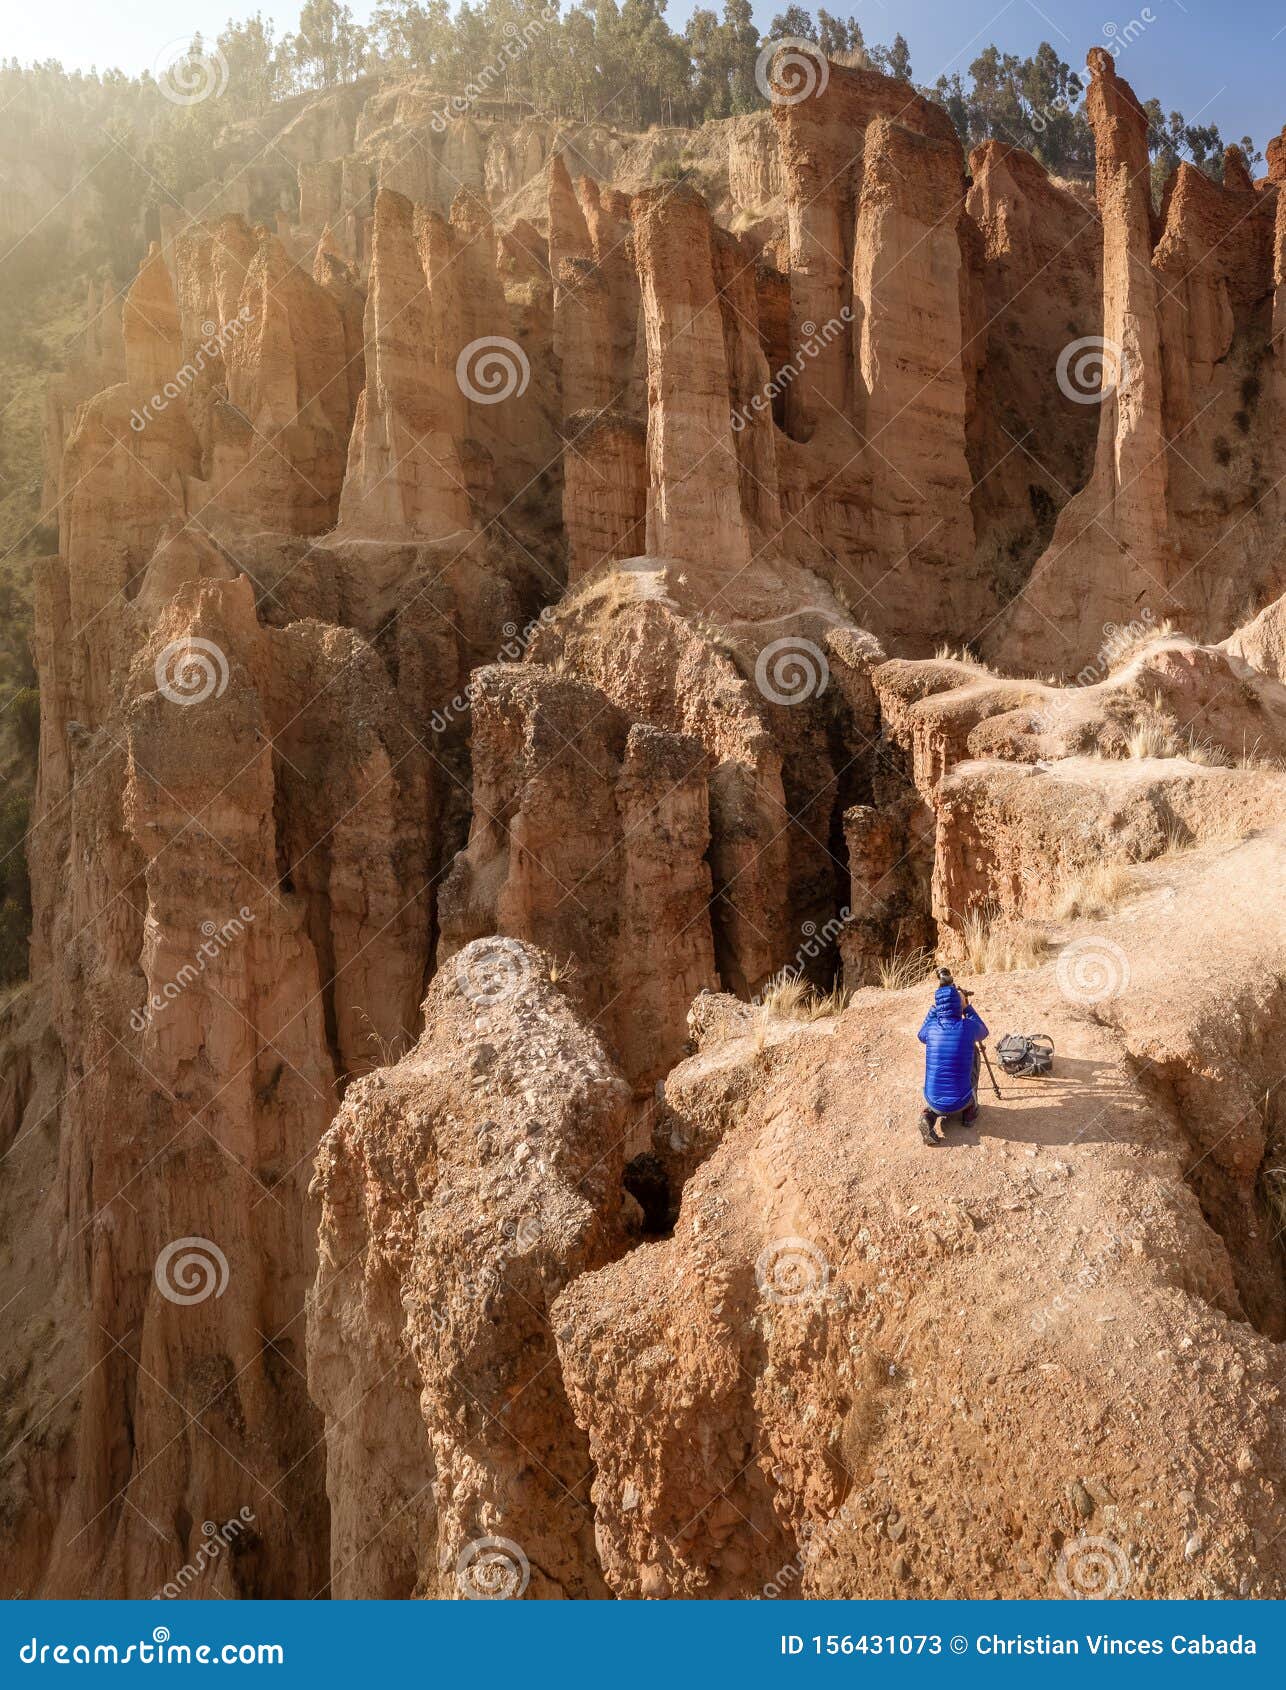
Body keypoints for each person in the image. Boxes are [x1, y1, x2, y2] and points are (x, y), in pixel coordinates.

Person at [917, 970, 988, 1146]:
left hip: (932, 1098)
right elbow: (984, 1032)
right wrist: (967, 1007)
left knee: (936, 1101)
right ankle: (969, 1113)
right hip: (961, 1101)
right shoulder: (967, 1027)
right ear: (959, 1004)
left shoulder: (932, 1028)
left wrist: (934, 1010)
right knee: (974, 1055)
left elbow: (920, 1034)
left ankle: (929, 1115)